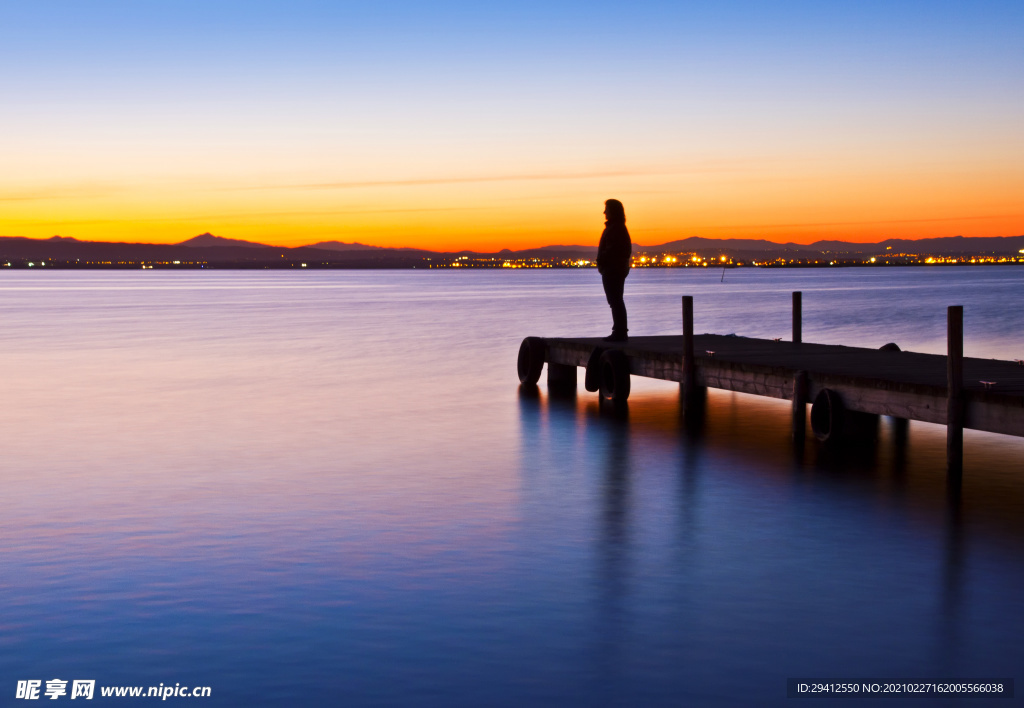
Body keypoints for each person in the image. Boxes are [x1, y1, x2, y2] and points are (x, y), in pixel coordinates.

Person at [596, 199, 631, 341]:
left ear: (613, 211)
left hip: (612, 270)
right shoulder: (616, 228)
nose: (604, 212)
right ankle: (619, 330)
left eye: (607, 209)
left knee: (615, 301)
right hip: (612, 270)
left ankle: (620, 332)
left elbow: (614, 250)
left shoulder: (616, 229)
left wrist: (603, 262)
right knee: (615, 301)